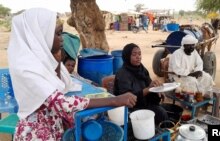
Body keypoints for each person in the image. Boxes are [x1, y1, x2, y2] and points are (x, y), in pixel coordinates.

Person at [7, 8, 137, 140]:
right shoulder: (26, 68)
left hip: (53, 125)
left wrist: (57, 62)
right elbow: (62, 103)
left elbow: (62, 86)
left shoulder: (41, 61)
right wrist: (114, 100)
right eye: (58, 34)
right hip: (36, 133)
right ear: (40, 35)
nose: (62, 38)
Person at [113, 43, 168, 125]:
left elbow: (150, 86)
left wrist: (157, 90)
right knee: (160, 114)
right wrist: (147, 90)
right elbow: (127, 99)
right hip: (130, 108)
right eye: (134, 54)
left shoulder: (141, 69)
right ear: (127, 56)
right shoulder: (123, 74)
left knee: (163, 111)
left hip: (143, 102)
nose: (138, 57)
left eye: (139, 54)